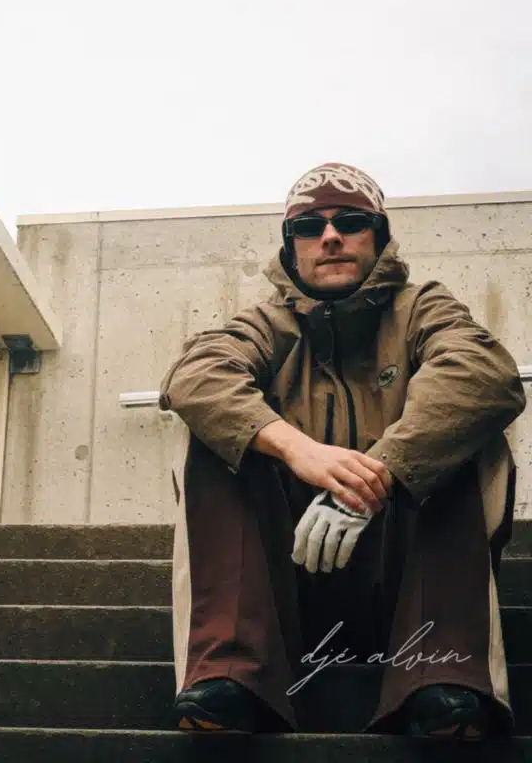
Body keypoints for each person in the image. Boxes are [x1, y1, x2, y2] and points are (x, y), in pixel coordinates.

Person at [159, 162, 525, 740]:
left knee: (462, 431)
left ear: (378, 237)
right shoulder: (266, 322)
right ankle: (231, 675)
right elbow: (197, 375)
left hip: (401, 584)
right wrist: (296, 448)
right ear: (292, 247)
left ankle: (444, 677)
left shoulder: (421, 307)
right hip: (285, 593)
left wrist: (378, 473)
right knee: (214, 436)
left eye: (351, 222)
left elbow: (483, 371)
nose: (330, 236)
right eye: (310, 227)